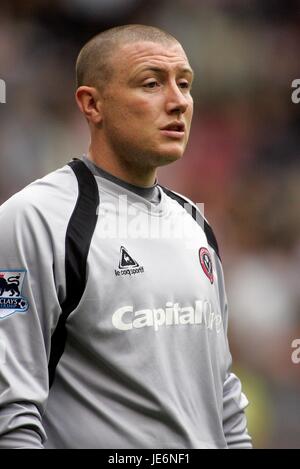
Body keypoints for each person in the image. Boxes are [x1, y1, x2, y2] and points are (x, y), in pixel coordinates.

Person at [0, 24, 252, 449]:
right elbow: (11, 407)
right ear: (92, 104)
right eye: (151, 83)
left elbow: (223, 390)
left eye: (185, 84)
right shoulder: (34, 220)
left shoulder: (194, 223)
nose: (178, 102)